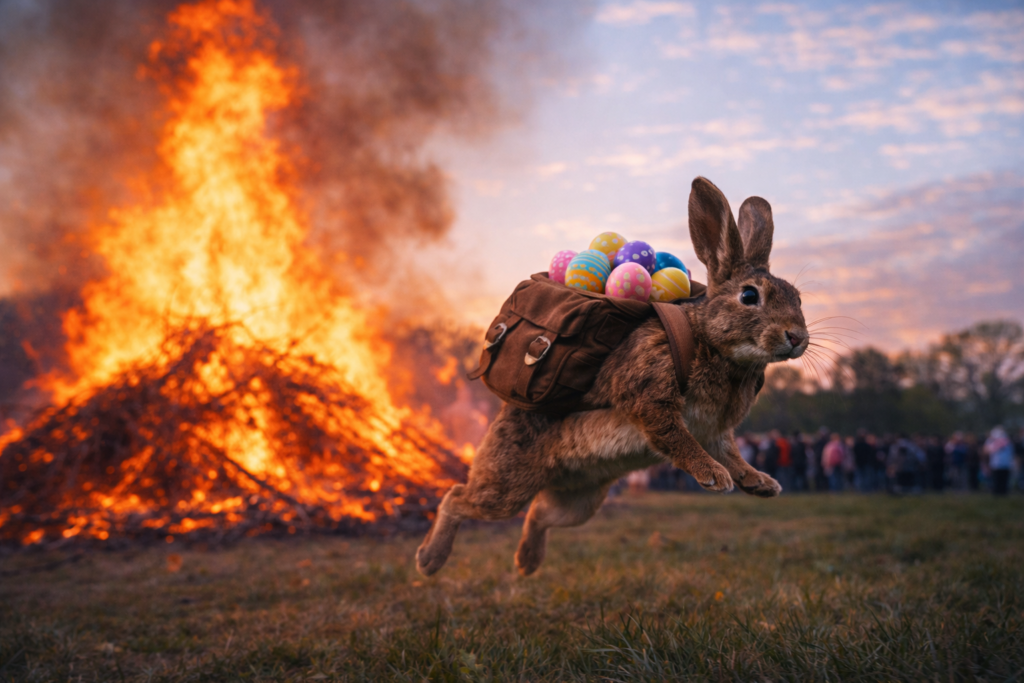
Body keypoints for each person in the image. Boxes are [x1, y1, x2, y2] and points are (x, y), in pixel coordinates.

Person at [984, 426, 1014, 495]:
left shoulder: (1003, 441)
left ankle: (1000, 493)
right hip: (999, 464)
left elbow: (987, 449)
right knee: (999, 481)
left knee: (1000, 481)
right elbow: (987, 450)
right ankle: (1000, 493)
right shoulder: (1006, 441)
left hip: (1001, 464)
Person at [812, 427, 830, 492]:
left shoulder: (821, 442)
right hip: (820, 461)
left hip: (822, 460)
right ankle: (821, 488)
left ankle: (822, 488)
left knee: (822, 475)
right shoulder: (824, 442)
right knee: (821, 475)